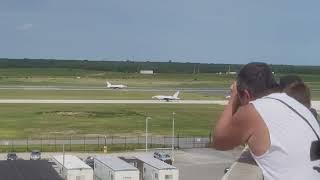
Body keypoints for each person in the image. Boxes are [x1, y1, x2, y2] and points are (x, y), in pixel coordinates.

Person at [212, 62, 320, 180]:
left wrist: (233, 97)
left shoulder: (253, 110)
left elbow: (219, 141)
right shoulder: (294, 104)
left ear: (247, 95)